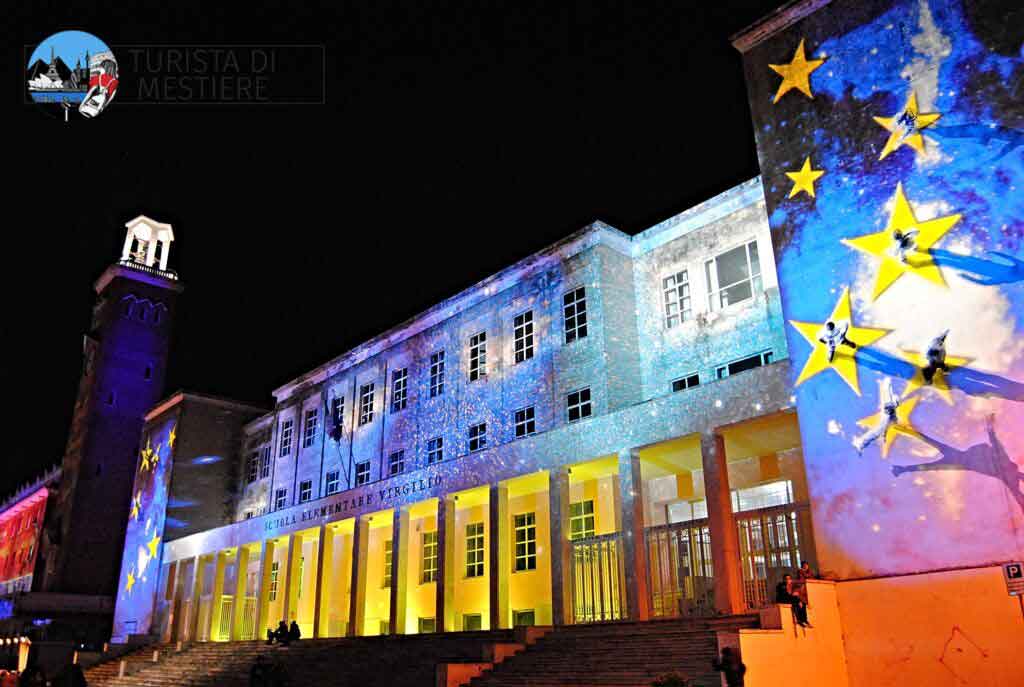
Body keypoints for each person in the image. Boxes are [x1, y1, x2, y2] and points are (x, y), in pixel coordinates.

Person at [853, 378, 901, 455]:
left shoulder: (892, 411)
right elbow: (887, 394)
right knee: (877, 432)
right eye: (896, 403)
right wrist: (887, 383)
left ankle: (861, 443)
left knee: (878, 432)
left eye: (897, 404)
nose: (897, 404)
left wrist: (885, 436)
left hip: (886, 417)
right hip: (886, 414)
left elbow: (889, 425)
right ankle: (860, 443)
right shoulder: (889, 404)